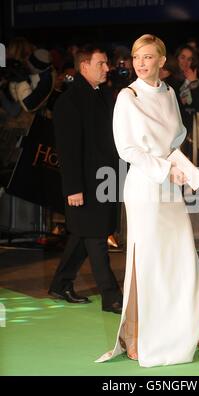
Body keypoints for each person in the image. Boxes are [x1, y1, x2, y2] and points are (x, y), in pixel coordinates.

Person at [96, 34, 199, 367]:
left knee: (184, 258)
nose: (141, 64)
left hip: (170, 186)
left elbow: (174, 139)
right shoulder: (127, 97)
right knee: (148, 264)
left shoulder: (170, 93)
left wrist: (181, 169)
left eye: (148, 57)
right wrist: (164, 169)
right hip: (144, 186)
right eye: (136, 58)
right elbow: (127, 149)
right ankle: (143, 334)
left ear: (161, 60)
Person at [48, 44, 123, 314]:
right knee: (97, 236)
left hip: (106, 179)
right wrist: (73, 188)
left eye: (106, 63)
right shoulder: (69, 102)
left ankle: (60, 284)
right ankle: (111, 296)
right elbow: (67, 151)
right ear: (84, 67)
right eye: (101, 63)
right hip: (85, 183)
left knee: (84, 234)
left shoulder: (103, 94)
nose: (107, 68)